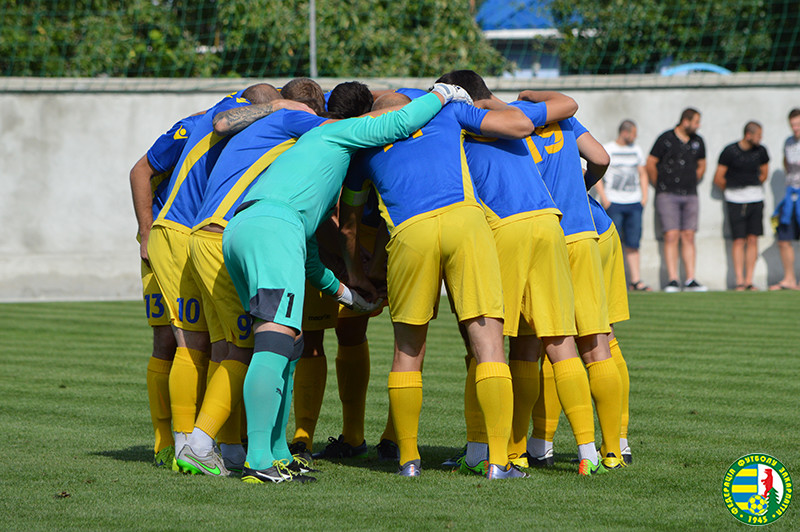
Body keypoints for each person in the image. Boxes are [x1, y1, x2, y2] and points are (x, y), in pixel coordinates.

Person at [221, 85, 465, 484]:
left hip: (249, 229)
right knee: (276, 340)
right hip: (274, 228)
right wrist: (442, 94)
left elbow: (312, 256)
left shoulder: (313, 160)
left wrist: (351, 297)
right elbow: (399, 121)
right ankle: (258, 461)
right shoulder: (336, 132)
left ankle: (279, 454)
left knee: (291, 344)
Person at [341, 84, 539, 480]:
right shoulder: (445, 114)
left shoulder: (363, 149)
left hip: (409, 232)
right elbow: (512, 125)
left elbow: (348, 226)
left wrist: (357, 273)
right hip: (464, 222)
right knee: (488, 343)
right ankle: (498, 462)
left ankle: (408, 460)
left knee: (407, 351)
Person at [436, 71, 605, 477]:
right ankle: (589, 453)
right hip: (550, 222)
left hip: (505, 227)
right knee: (560, 340)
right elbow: (567, 104)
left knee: (485, 344)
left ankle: (484, 452)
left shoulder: (457, 121)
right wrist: (518, 97)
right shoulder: (516, 115)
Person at [128, 111, 203, 467]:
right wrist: (146, 232)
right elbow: (140, 170)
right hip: (165, 241)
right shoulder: (193, 126)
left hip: (205, 242)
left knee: (211, 340)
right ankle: (163, 443)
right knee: (167, 340)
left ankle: (207, 438)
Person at [646, 108, 708, 292]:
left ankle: (690, 279)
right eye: (696, 122)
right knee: (671, 235)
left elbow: (702, 165)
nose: (698, 126)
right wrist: (661, 184)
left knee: (689, 235)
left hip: (690, 194)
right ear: (686, 121)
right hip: (667, 194)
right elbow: (650, 163)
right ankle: (673, 279)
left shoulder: (698, 141)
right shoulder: (666, 138)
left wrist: (691, 180)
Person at [713, 121, 769, 290]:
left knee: (753, 238)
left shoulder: (761, 151)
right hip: (735, 199)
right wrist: (733, 190)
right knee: (738, 240)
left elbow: (764, 173)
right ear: (748, 135)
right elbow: (718, 178)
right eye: (758, 135)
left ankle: (749, 280)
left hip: (755, 198)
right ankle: (739, 280)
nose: (761, 138)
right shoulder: (730, 151)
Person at [596, 120, 650, 291]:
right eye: (634, 133)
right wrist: (605, 198)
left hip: (634, 202)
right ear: (625, 132)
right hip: (614, 202)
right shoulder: (608, 149)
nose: (636, 137)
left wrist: (644, 197)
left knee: (633, 243)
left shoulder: (636, 149)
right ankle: (612, 281)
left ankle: (636, 281)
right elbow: (597, 174)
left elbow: (642, 173)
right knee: (612, 242)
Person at [771, 108, 800, 290]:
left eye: (798, 124)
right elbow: (786, 165)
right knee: (784, 237)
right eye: (792, 125)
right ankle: (789, 279)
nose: (795, 128)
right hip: (791, 193)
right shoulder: (788, 142)